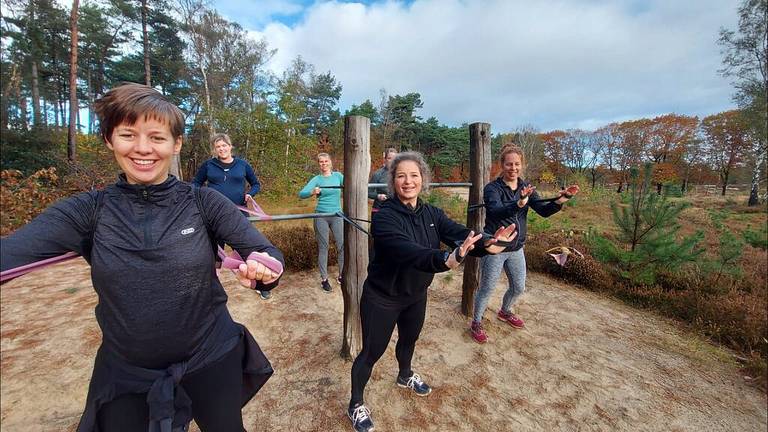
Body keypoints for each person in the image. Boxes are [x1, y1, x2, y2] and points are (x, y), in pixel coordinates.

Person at [0, 83, 285, 431]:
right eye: (128, 134)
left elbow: (268, 254)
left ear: (176, 144)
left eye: (157, 137)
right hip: (127, 373)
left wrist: (264, 268)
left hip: (212, 356)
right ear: (109, 139)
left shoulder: (203, 203)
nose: (143, 148)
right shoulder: (88, 211)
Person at [347, 151, 517, 432]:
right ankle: (355, 403)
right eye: (401, 175)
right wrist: (445, 259)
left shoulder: (432, 214)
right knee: (371, 352)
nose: (408, 181)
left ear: (423, 179)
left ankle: (404, 375)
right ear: (393, 181)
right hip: (383, 298)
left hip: (416, 295)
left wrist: (488, 243)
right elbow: (409, 252)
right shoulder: (384, 217)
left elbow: (460, 234)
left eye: (414, 175)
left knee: (409, 340)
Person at [469, 144, 580, 344]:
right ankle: (476, 322)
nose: (513, 168)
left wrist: (561, 200)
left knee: (519, 287)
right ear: (502, 165)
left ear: (522, 165)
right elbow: (495, 211)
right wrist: (518, 203)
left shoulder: (526, 187)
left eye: (517, 164)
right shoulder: (492, 188)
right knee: (487, 288)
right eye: (509, 164)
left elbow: (543, 211)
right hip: (495, 247)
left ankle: (505, 311)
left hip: (517, 248)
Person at [192, 133, 268, 299]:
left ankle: (260, 285)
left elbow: (255, 184)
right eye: (218, 147)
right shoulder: (208, 165)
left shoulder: (242, 165)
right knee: (213, 253)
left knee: (247, 250)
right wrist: (200, 196)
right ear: (214, 149)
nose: (222, 149)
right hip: (213, 215)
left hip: (238, 215)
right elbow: (195, 184)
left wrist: (250, 194)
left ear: (230, 146)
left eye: (224, 145)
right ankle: (212, 288)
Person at [298, 153, 344, 293]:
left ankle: (342, 276)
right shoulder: (316, 179)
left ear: (330, 162)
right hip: (321, 216)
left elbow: (351, 185)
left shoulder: (338, 176)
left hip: (337, 215)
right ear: (318, 164)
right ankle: (324, 279)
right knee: (323, 247)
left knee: (342, 246)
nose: (323, 164)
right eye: (321, 162)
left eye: (326, 161)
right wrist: (312, 191)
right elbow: (301, 194)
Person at [368, 147, 397, 211]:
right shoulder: (378, 174)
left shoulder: (401, 174)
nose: (392, 161)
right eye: (389, 158)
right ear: (385, 159)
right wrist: (378, 196)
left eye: (394, 159)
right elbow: (368, 192)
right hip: (380, 209)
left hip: (396, 209)